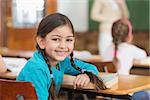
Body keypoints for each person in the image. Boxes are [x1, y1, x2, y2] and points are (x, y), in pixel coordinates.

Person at [16, 13, 106, 100]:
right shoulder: (36, 69)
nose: (63, 46)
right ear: (41, 42)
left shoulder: (62, 62)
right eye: (55, 39)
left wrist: (87, 75)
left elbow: (91, 67)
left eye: (68, 40)